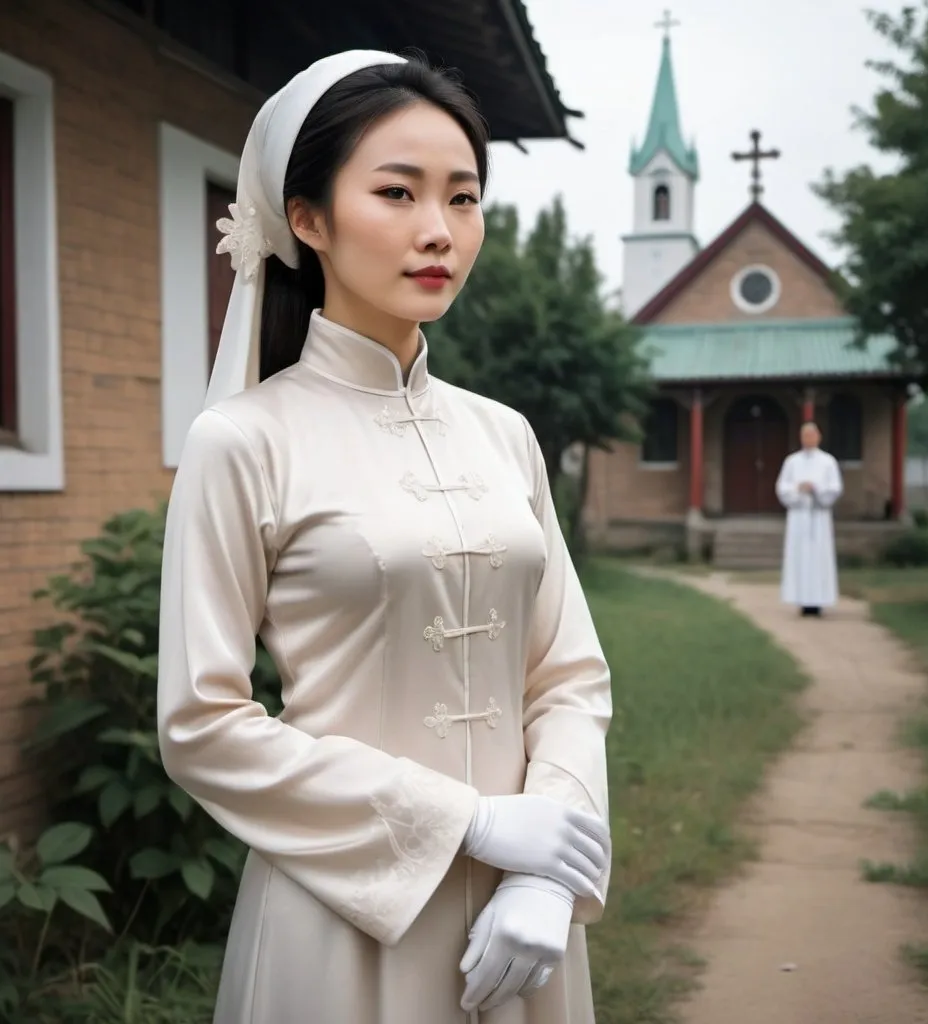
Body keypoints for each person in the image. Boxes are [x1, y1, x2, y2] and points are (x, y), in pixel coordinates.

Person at [156, 50, 613, 1024]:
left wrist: (546, 869)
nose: (438, 231)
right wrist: (472, 822)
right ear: (309, 218)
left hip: (523, 910)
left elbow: (568, 675)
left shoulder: (504, 435)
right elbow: (201, 723)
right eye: (397, 193)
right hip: (343, 918)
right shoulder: (242, 440)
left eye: (463, 197)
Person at [775, 421, 843, 616]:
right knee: (800, 558)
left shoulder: (828, 461)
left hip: (819, 517)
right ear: (801, 438)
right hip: (799, 517)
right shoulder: (792, 462)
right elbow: (782, 487)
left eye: (812, 435)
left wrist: (816, 489)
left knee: (818, 558)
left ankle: (819, 601)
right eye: (805, 436)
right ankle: (802, 600)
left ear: (818, 438)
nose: (809, 439)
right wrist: (797, 489)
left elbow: (834, 488)